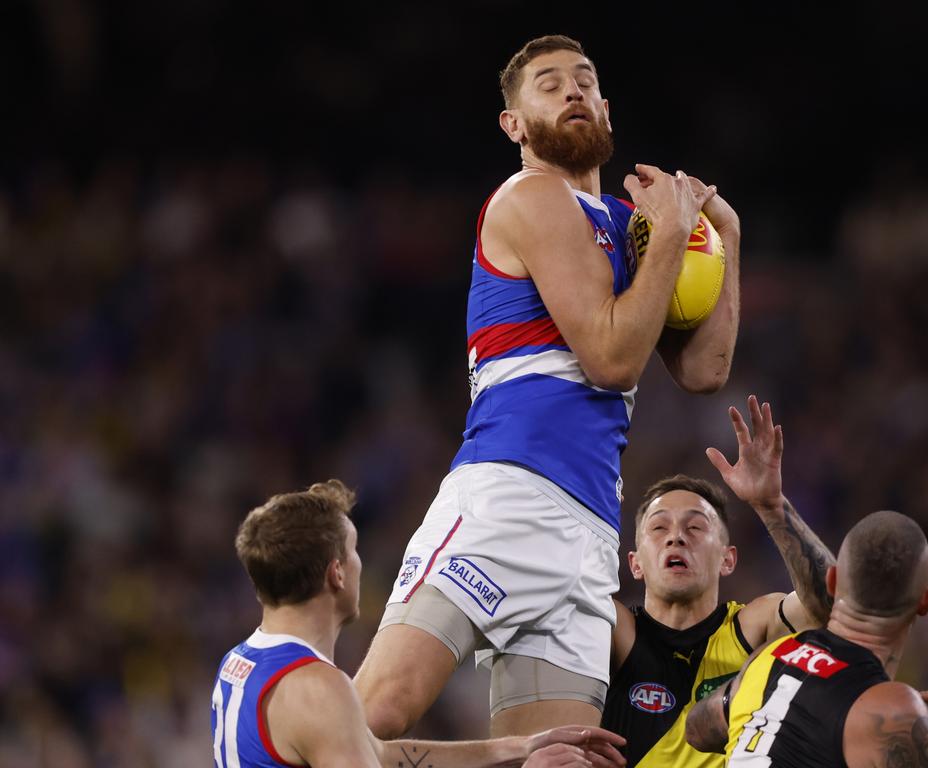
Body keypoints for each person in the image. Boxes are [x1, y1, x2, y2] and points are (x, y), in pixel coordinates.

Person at [354, 34, 741, 740]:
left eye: (585, 81)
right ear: (513, 124)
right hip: (510, 499)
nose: (572, 91)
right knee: (375, 715)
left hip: (589, 535)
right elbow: (612, 360)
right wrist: (672, 235)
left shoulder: (630, 229)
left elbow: (704, 372)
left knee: (559, 760)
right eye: (549, 83)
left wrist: (724, 235)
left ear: (606, 108)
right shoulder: (530, 196)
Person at [211, 480, 628, 768]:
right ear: (337, 573)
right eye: (355, 550)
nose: (361, 563)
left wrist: (518, 749)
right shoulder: (319, 687)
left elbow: (377, 753)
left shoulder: (240, 663)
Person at [601, 395, 837, 768]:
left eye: (696, 527)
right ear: (635, 564)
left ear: (728, 559)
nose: (676, 537)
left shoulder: (752, 626)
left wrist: (771, 505)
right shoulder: (614, 630)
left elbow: (831, 608)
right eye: (659, 528)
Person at [685, 510, 928, 768]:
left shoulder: (768, 656)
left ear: (833, 581)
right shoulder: (894, 711)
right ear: (925, 602)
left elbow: (696, 729)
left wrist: (742, 701)